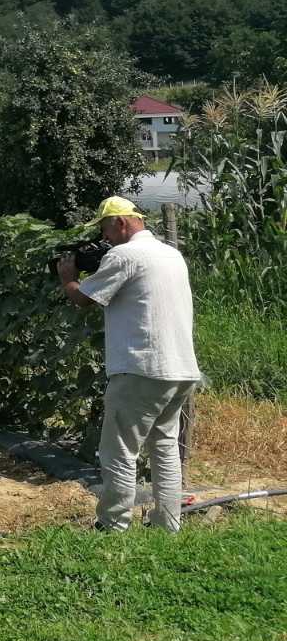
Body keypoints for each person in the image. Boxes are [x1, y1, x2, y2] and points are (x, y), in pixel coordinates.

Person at [57, 196, 201, 532]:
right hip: (180, 367)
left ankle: (112, 525)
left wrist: (68, 277)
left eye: (105, 230)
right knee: (164, 446)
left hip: (142, 367)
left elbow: (83, 299)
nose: (104, 239)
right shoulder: (171, 254)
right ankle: (167, 523)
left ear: (121, 223)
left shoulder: (124, 255)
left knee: (119, 450)